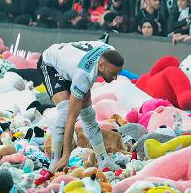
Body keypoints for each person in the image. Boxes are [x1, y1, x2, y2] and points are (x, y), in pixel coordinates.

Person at [35, 40, 124, 171]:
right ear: (101, 66)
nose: (116, 78)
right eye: (113, 74)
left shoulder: (110, 50)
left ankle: (103, 160)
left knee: (87, 113)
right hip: (51, 65)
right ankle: (55, 162)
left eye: (118, 73)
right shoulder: (84, 76)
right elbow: (71, 119)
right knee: (66, 111)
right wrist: (66, 156)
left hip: (74, 66)